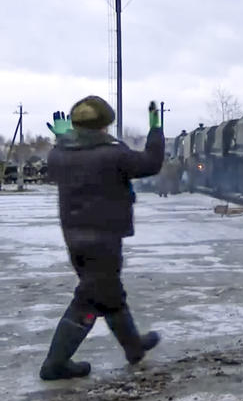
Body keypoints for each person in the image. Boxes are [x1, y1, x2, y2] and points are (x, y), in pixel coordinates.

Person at [40, 96, 164, 380]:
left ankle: (134, 347)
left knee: (110, 294)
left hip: (75, 238)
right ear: (103, 126)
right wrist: (155, 130)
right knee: (89, 300)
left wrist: (62, 139)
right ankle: (55, 363)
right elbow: (150, 163)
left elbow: (67, 157)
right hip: (104, 239)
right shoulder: (113, 154)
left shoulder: (59, 154)